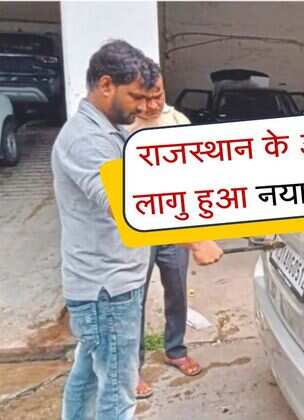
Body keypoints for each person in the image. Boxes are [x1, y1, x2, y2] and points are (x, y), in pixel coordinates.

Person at [51, 40, 222, 420]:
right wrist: (196, 241)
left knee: (89, 376)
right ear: (106, 84)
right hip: (106, 289)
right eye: (136, 97)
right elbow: (129, 207)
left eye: (150, 97)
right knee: (117, 389)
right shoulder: (88, 140)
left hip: (105, 283)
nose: (144, 108)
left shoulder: (108, 131)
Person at [126, 62, 220, 399]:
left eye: (159, 96)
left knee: (177, 289)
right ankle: (131, 367)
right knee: (133, 298)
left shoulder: (177, 121)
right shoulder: (122, 126)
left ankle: (175, 350)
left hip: (176, 223)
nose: (153, 105)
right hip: (138, 229)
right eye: (146, 97)